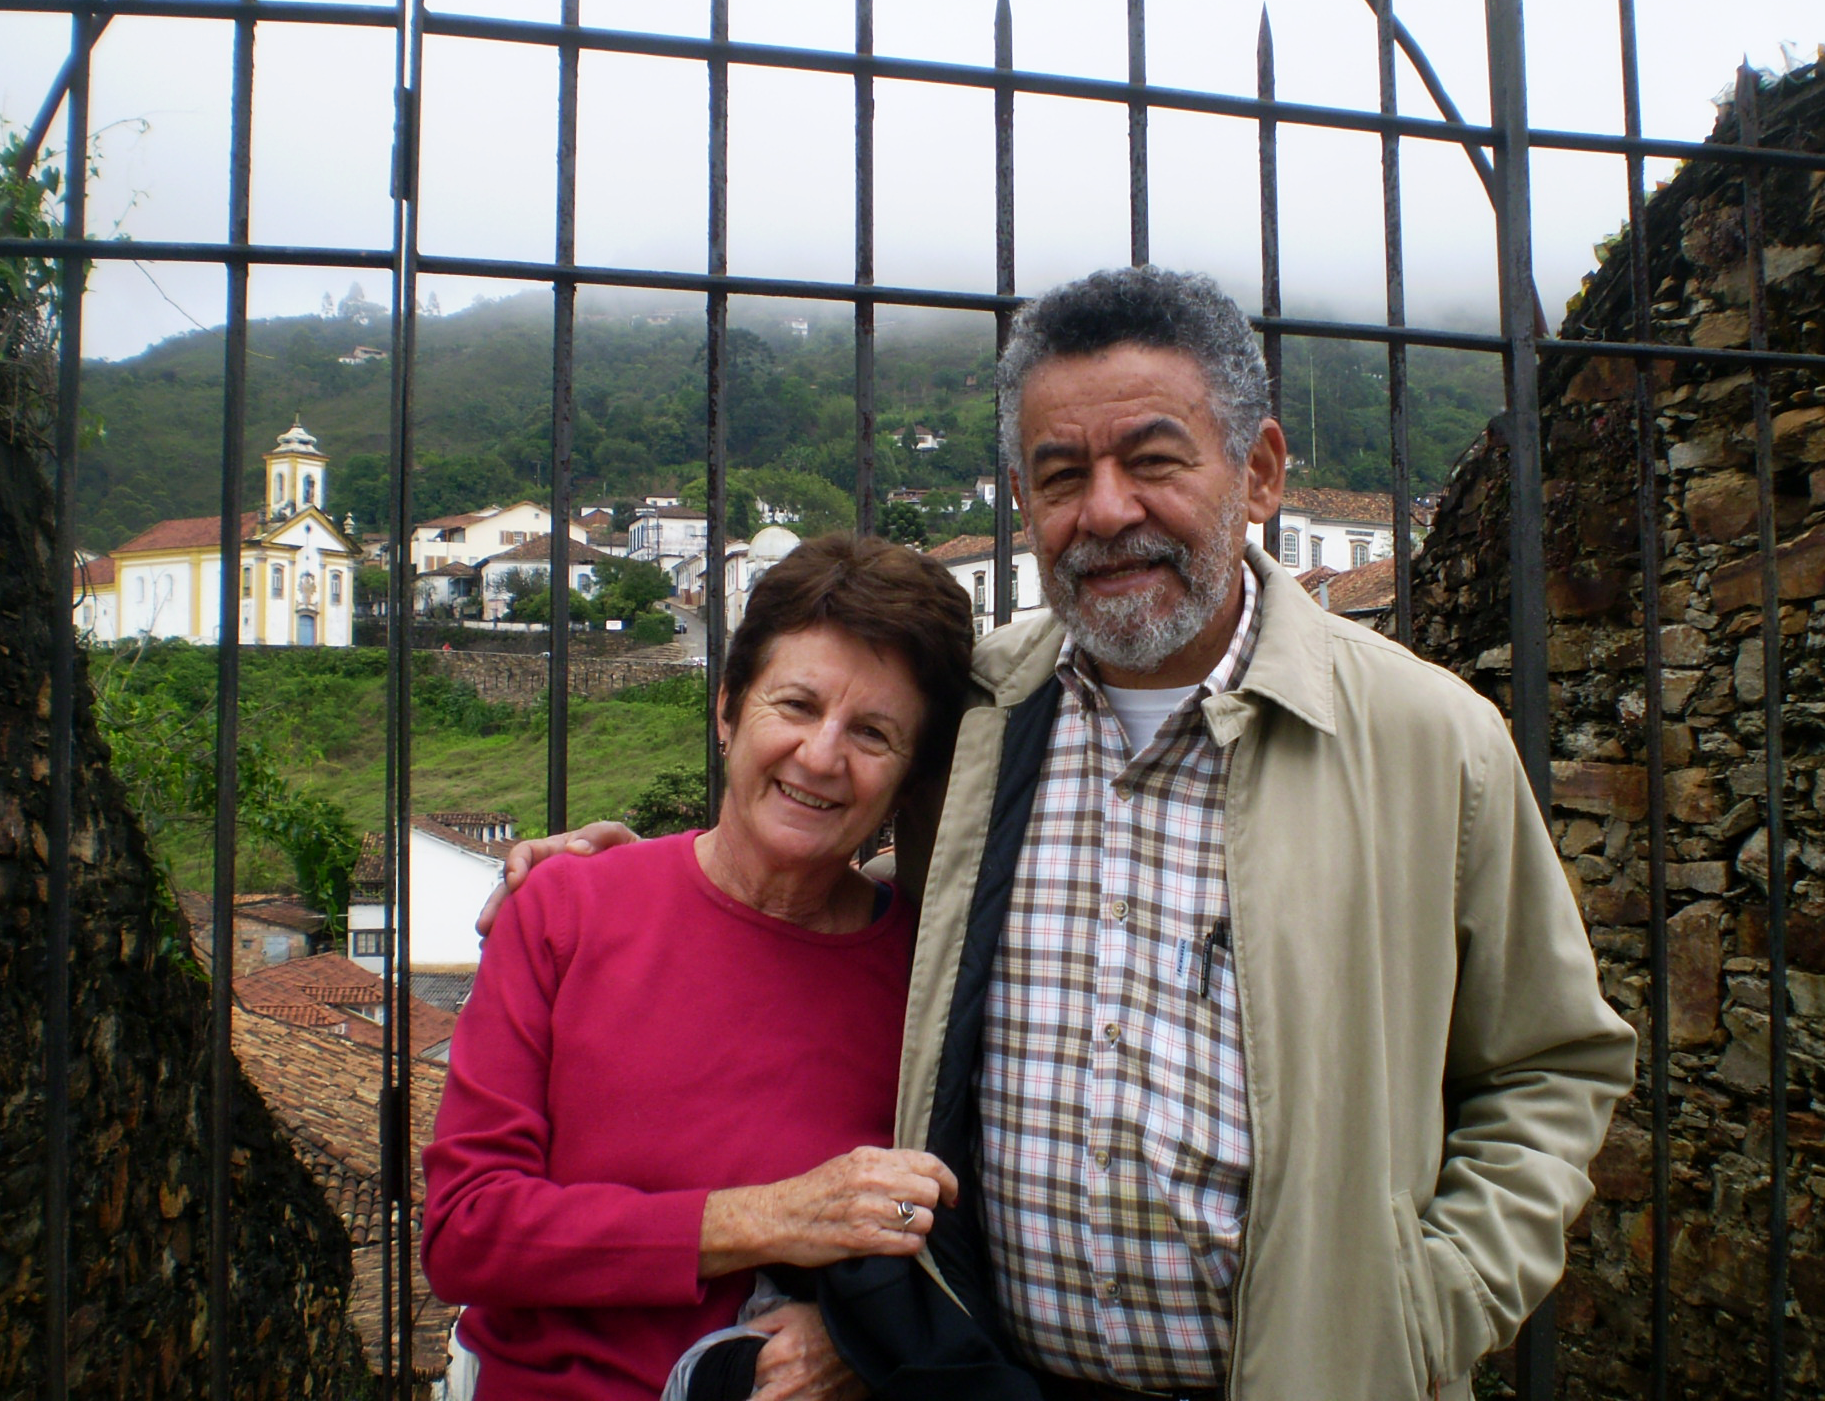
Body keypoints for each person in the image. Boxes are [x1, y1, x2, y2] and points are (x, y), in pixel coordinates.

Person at [483, 267, 1638, 1401]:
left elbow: (1550, 1064)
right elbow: (813, 838)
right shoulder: (969, 709)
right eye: (1060, 473)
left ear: (1262, 470)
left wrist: (1426, 1307)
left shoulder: (1428, 740)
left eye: (1153, 460)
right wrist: (616, 867)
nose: (1105, 511)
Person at [423, 532, 977, 1401]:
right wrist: (766, 1216)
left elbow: (960, 1224)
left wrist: (856, 1337)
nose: (822, 755)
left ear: (909, 781)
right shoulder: (564, 910)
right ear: (726, 709)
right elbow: (466, 1230)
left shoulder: (929, 974)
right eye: (794, 705)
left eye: (872, 732)